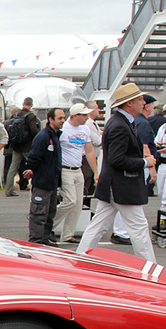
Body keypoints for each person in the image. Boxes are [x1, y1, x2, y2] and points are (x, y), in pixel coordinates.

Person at [76, 83, 158, 263]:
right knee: (139, 228)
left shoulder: (121, 122)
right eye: (139, 100)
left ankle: (80, 258)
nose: (143, 102)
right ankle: (150, 269)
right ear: (129, 104)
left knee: (98, 226)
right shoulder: (121, 125)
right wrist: (145, 162)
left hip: (115, 185)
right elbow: (117, 159)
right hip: (122, 186)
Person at [51, 104, 99, 244]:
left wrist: (96, 171)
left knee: (78, 203)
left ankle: (67, 234)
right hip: (65, 169)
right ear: (75, 116)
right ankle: (49, 225)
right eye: (83, 115)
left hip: (78, 169)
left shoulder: (85, 129)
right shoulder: (63, 129)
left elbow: (89, 151)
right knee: (70, 200)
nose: (86, 118)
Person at [22, 108, 66, 246]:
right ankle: (35, 242)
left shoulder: (56, 135)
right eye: (60, 118)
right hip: (42, 182)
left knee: (50, 213)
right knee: (38, 214)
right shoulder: (43, 137)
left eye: (64, 118)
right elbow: (34, 157)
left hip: (52, 182)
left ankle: (44, 239)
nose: (63, 121)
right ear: (51, 119)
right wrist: (30, 169)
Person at [3, 97, 41, 196]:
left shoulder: (16, 114)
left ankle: (8, 190)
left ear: (23, 103)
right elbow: (34, 131)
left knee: (13, 168)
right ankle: (38, 188)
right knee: (34, 166)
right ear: (31, 105)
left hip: (16, 146)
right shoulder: (31, 116)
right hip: (27, 146)